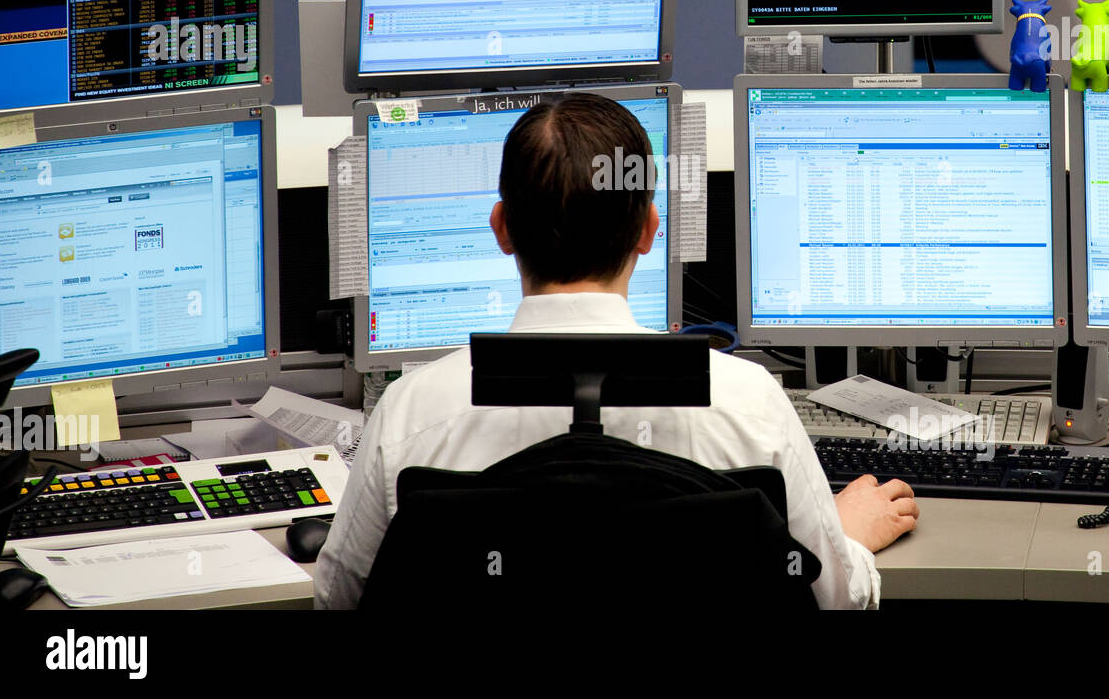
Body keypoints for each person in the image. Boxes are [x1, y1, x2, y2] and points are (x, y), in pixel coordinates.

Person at [314, 92, 918, 609]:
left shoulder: (411, 413)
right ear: (650, 230)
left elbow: (340, 598)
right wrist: (849, 542)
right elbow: (830, 599)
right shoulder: (747, 402)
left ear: (501, 228)